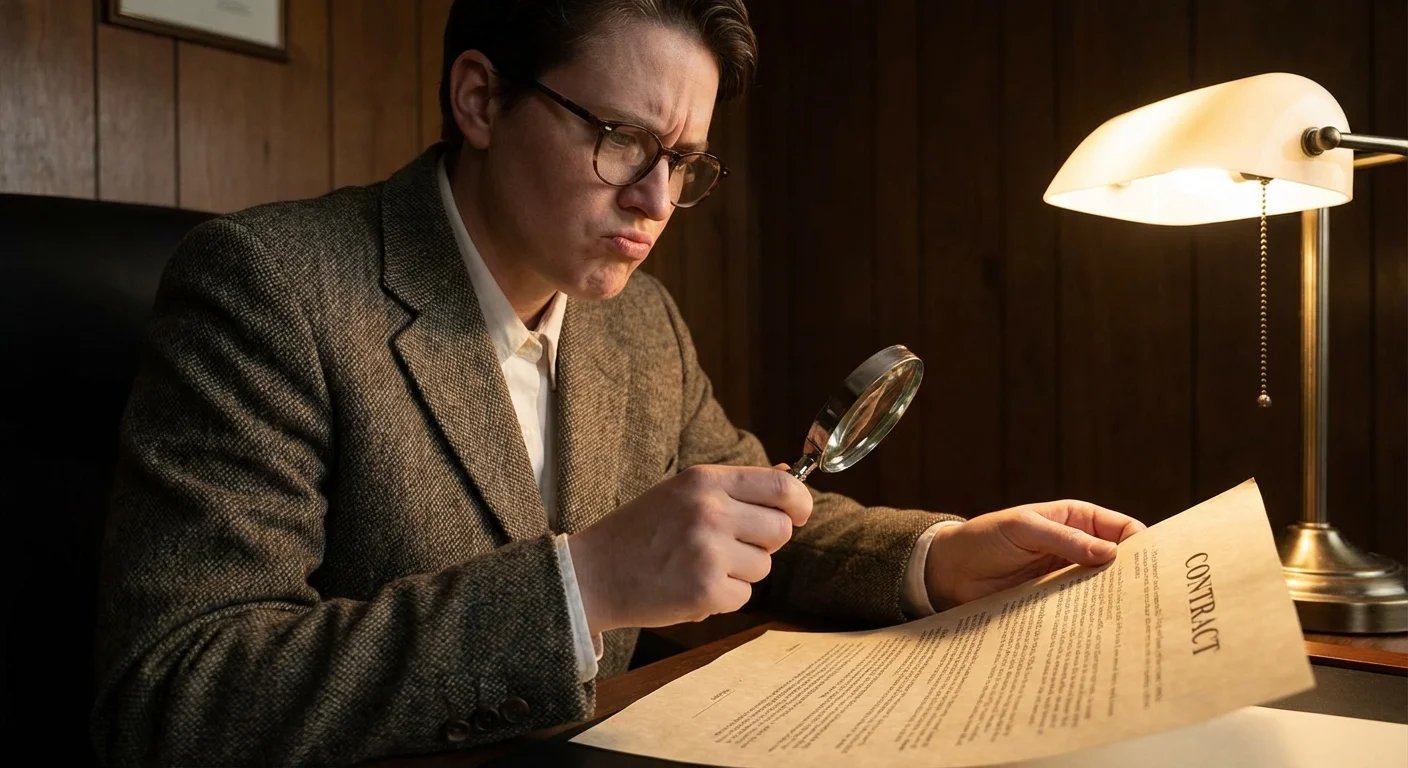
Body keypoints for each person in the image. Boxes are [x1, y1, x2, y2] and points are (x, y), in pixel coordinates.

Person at [90, 1, 1144, 765]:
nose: (654, 199)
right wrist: (582, 585)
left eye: (685, 161)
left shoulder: (637, 319)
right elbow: (178, 694)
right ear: (479, 98)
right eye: (621, 139)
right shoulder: (274, 287)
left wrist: (939, 556)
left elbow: (752, 520)